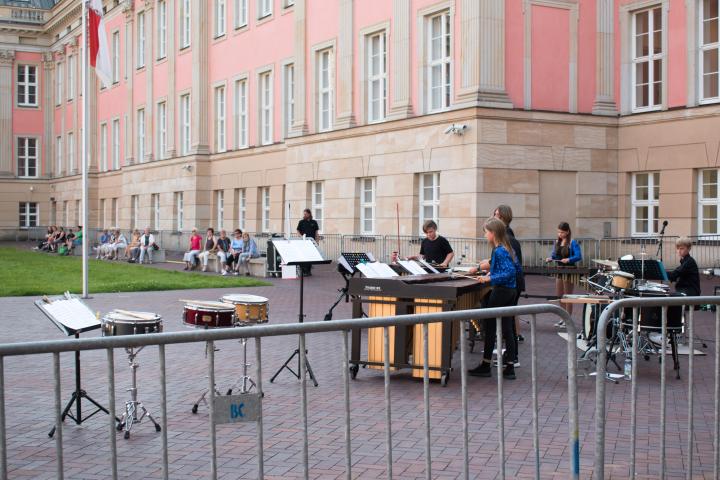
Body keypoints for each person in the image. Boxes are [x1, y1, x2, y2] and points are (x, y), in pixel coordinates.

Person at [468, 218, 520, 380]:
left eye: (486, 232)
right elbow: (513, 268)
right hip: (510, 291)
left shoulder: (499, 250)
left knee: (490, 327)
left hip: (502, 292)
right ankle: (509, 367)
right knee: (507, 328)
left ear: (493, 233)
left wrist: (489, 279)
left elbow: (510, 272)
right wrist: (490, 273)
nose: (484, 235)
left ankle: (486, 365)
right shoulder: (506, 248)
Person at [494, 205, 525, 365]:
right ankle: (509, 355)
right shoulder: (505, 235)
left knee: (507, 322)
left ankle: (511, 357)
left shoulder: (507, 236)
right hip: (513, 283)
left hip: (512, 284)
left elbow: (510, 265)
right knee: (508, 321)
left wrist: (489, 274)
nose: (495, 217)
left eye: (497, 215)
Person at [546, 222, 582, 326]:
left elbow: (578, 256)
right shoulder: (557, 242)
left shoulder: (572, 242)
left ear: (567, 232)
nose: (559, 234)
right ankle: (563, 318)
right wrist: (550, 258)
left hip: (569, 270)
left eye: (562, 232)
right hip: (559, 270)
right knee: (560, 295)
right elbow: (554, 255)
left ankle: (568, 319)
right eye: (558, 232)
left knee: (568, 296)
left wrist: (569, 259)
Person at [297, 209, 319, 276]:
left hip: (311, 242)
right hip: (303, 242)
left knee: (310, 257)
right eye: (304, 214)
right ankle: (303, 270)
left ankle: (308, 271)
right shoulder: (301, 222)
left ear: (309, 214)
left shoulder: (314, 222)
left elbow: (316, 233)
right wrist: (301, 236)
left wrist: (317, 241)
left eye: (306, 214)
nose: (304, 215)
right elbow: (298, 230)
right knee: (303, 256)